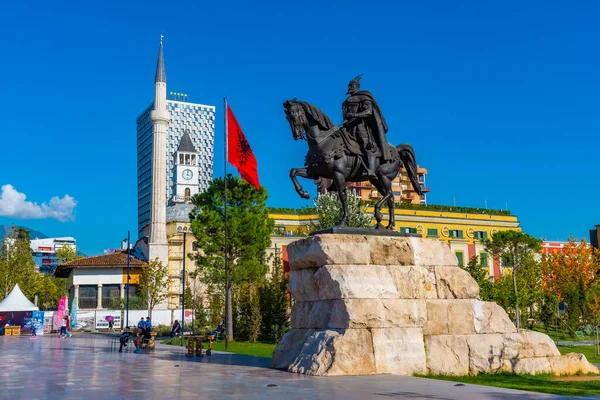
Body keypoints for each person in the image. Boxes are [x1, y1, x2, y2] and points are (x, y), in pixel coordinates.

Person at [341, 74, 390, 179]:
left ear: (357, 86)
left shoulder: (364, 97)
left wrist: (354, 115)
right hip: (348, 128)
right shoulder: (345, 102)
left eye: (352, 85)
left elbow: (368, 111)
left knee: (366, 145)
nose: (350, 87)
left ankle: (371, 170)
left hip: (360, 127)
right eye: (349, 85)